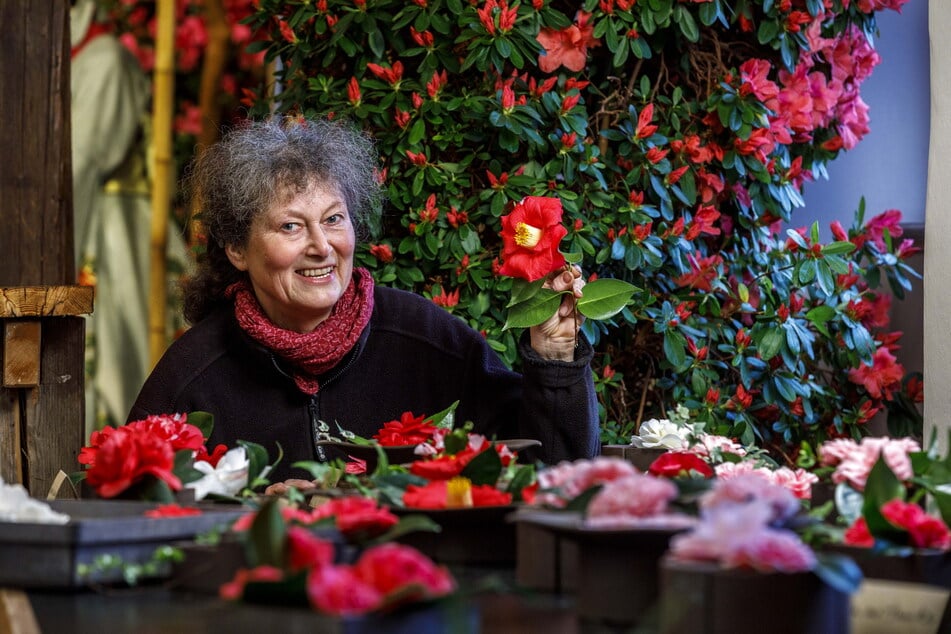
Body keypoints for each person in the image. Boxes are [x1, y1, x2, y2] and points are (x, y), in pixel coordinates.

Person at [127, 116, 600, 486]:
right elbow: (134, 505)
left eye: (334, 220)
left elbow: (557, 475)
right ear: (236, 249)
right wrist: (246, 511)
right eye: (291, 227)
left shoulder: (425, 340)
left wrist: (556, 358)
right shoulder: (194, 375)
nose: (321, 246)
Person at [70, 0, 188, 434]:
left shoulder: (105, 61)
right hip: (91, 218)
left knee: (115, 358)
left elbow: (81, 165)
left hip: (108, 227)